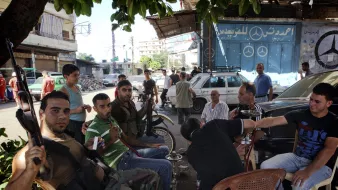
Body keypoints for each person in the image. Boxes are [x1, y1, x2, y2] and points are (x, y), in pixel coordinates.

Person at [5, 91, 105, 189]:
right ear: (41, 114)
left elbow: (76, 162)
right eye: (55, 111)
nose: (62, 116)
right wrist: (30, 170)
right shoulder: (29, 154)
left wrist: (86, 148)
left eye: (66, 111)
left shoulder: (66, 135)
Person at [256, 83, 338, 190]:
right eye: (311, 99)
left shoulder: (334, 122)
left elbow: (328, 150)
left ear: (329, 103)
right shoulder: (300, 114)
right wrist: (254, 124)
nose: (312, 104)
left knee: (299, 185)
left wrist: (307, 172)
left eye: (317, 102)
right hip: (297, 158)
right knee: (265, 167)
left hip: (322, 165)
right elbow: (274, 120)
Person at [85, 93, 172, 190]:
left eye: (109, 105)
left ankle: (160, 182)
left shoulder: (111, 120)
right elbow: (96, 154)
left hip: (130, 153)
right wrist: (112, 139)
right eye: (102, 106)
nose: (107, 109)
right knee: (166, 166)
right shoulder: (93, 130)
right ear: (95, 108)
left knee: (164, 149)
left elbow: (126, 139)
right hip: (121, 162)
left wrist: (149, 145)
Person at [181, 117, 257, 189]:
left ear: (187, 140)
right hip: (240, 184)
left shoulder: (190, 154)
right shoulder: (214, 125)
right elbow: (250, 124)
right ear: (201, 124)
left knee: (200, 177)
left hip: (217, 187)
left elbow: (212, 166)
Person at [60, 64, 91, 144]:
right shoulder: (63, 91)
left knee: (83, 143)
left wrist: (85, 106)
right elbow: (61, 112)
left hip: (81, 122)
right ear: (66, 77)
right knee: (77, 145)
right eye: (75, 75)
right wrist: (76, 110)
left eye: (78, 75)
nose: (77, 77)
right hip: (72, 123)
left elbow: (76, 103)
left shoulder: (77, 87)